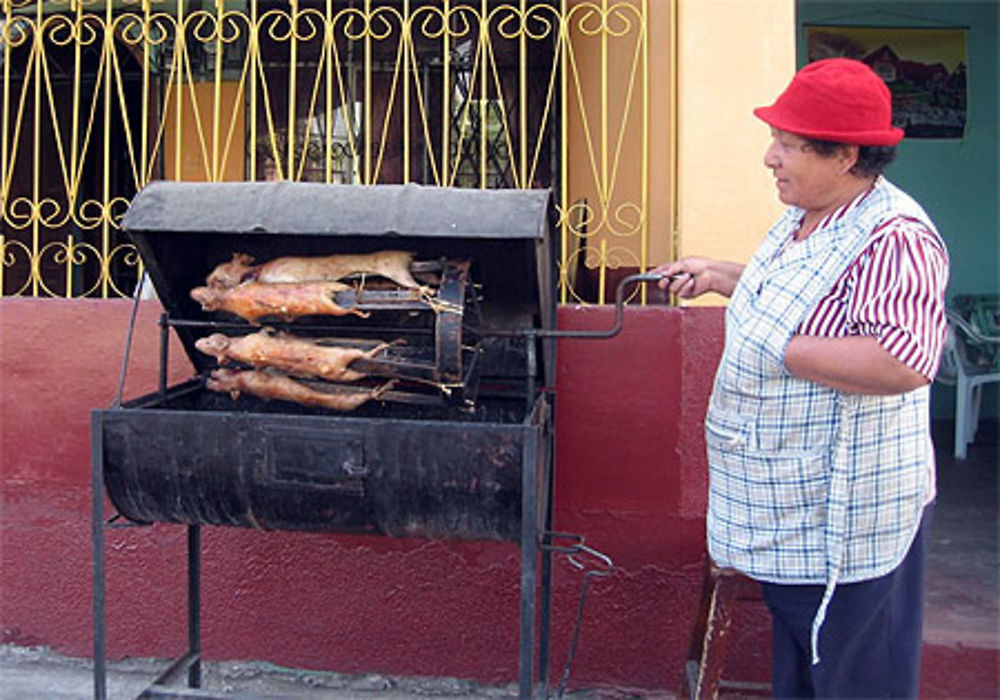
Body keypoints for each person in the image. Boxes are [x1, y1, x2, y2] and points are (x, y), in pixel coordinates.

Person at [653, 58, 949, 698]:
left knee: (851, 676)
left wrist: (777, 346)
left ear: (844, 155)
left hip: (846, 517)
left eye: (787, 145)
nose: (769, 158)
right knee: (804, 668)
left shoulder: (894, 238)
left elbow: (903, 359)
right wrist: (721, 275)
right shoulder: (807, 212)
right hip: (787, 503)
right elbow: (804, 294)